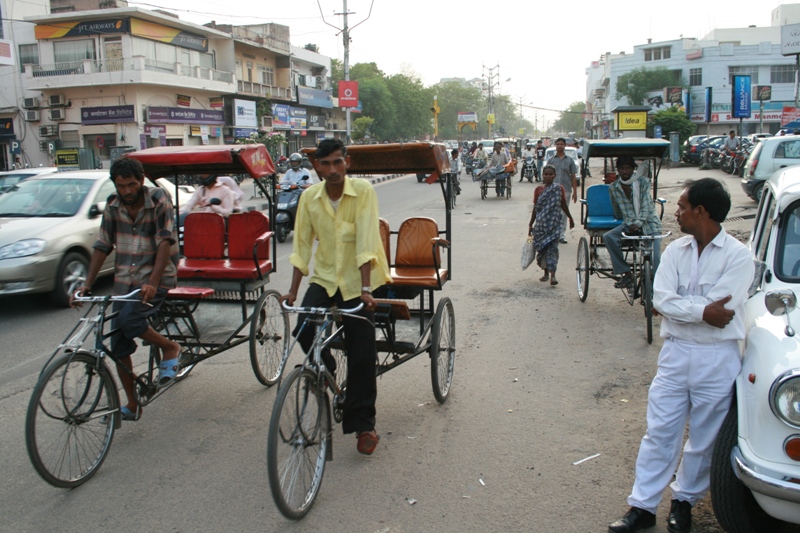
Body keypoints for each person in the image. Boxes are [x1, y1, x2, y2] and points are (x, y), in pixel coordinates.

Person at [608, 178, 754, 533]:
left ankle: (683, 502)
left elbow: (726, 310)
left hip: (717, 358)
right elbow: (661, 299)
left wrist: (681, 309)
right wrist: (702, 312)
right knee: (659, 433)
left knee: (704, 440)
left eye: (683, 207)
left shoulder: (739, 257)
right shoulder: (675, 251)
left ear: (701, 212)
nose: (676, 213)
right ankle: (642, 507)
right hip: (675, 355)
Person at [283, 138, 392, 456]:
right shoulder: (309, 198)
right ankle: (327, 368)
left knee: (362, 353)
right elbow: (302, 245)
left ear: (347, 163)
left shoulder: (363, 192)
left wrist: (366, 289)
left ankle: (364, 425)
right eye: (325, 163)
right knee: (304, 328)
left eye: (337, 162)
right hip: (326, 278)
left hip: (359, 281)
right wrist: (292, 290)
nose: (331, 170)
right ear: (316, 166)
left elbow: (367, 241)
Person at [70, 157, 182, 421]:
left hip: (157, 276)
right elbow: (102, 244)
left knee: (129, 319)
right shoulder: (112, 204)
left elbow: (165, 241)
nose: (127, 191)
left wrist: (153, 283)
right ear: (115, 185)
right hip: (125, 280)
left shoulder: (158, 199)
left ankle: (170, 347)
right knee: (118, 343)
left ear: (141, 180)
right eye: (121, 186)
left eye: (131, 185)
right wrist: (87, 284)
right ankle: (133, 404)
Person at [603, 156, 663, 289]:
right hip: (629, 224)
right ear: (618, 170)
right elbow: (616, 207)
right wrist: (623, 220)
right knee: (608, 237)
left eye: (628, 168)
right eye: (622, 169)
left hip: (649, 222)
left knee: (655, 257)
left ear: (633, 169)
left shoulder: (643, 182)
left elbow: (646, 206)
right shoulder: (614, 187)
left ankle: (658, 287)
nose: (625, 172)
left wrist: (638, 223)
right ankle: (626, 273)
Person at [528, 164, 574, 285]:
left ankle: (553, 275)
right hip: (540, 226)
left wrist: (570, 218)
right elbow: (535, 207)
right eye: (546, 174)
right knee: (542, 250)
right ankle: (545, 273)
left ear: (555, 175)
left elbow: (563, 204)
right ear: (543, 175)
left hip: (554, 225)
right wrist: (530, 224)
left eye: (550, 174)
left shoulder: (559, 189)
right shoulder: (538, 190)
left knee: (553, 249)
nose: (548, 176)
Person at [546, 137, 578, 243]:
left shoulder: (570, 160)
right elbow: (546, 176)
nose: (559, 146)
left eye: (561, 144)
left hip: (566, 190)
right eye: (558, 144)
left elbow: (573, 176)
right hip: (552, 190)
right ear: (555, 146)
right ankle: (553, 233)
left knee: (564, 212)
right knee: (553, 211)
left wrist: (575, 192)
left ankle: (561, 234)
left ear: (565, 146)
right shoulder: (551, 160)